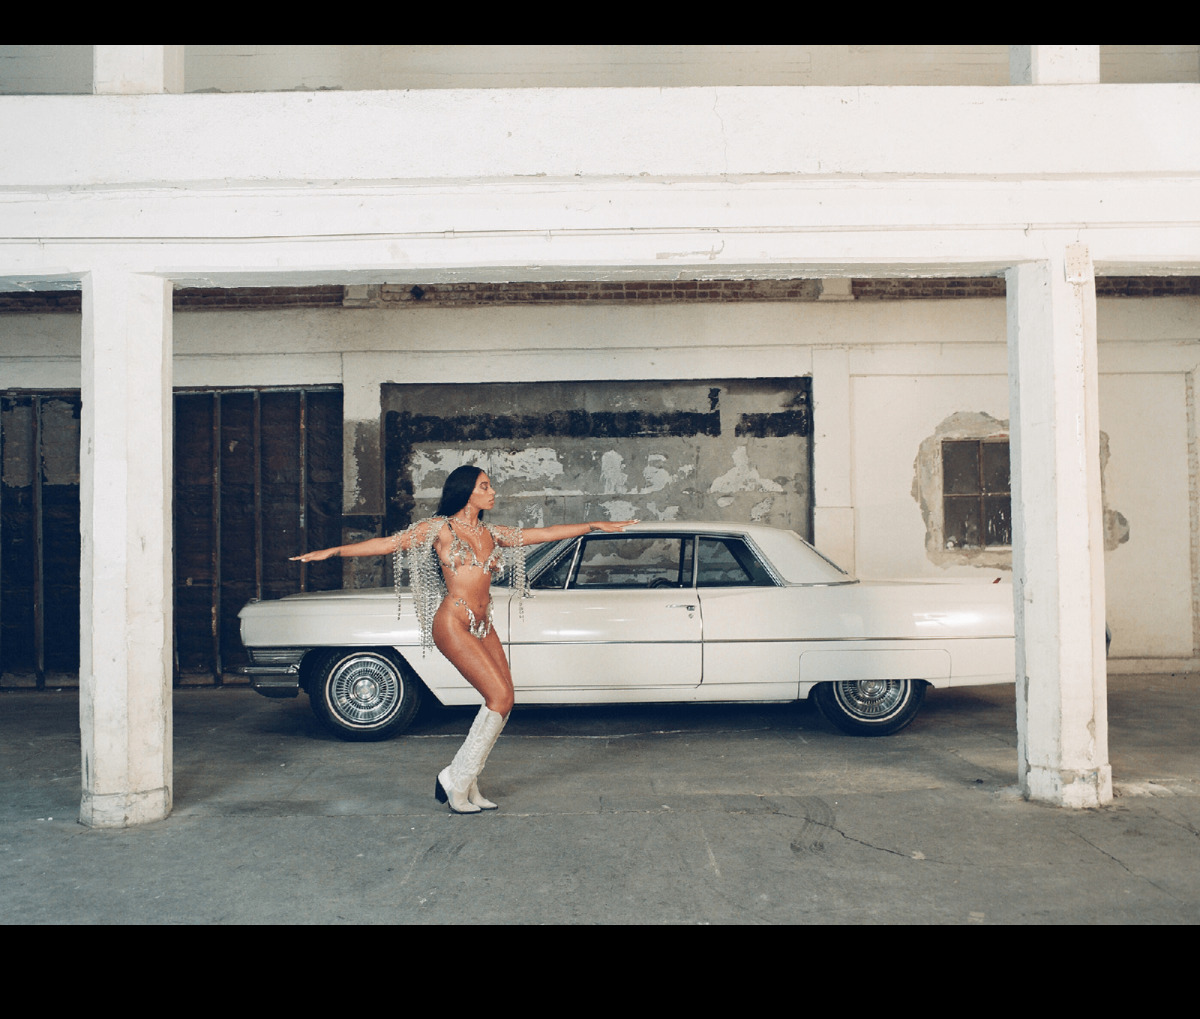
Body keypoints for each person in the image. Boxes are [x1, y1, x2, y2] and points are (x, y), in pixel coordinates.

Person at [291, 464, 636, 814]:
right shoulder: (439, 529)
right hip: (453, 621)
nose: (492, 492)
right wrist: (333, 552)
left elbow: (545, 533)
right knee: (498, 696)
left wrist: (593, 525)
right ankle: (456, 779)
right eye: (485, 486)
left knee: (505, 699)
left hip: (482, 623)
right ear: (467, 491)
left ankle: (467, 781)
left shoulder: (491, 532)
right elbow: (388, 544)